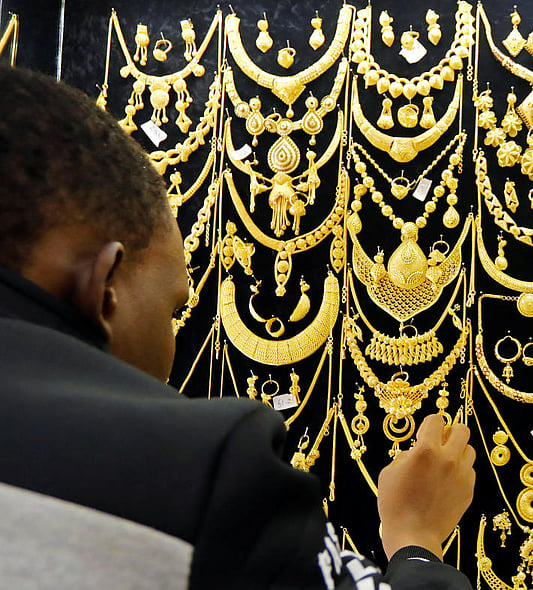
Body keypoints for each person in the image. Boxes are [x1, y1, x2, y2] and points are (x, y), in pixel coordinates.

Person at [0, 66, 475, 589]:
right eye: (172, 310)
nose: (172, 341)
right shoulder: (199, 469)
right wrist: (418, 538)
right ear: (104, 286)